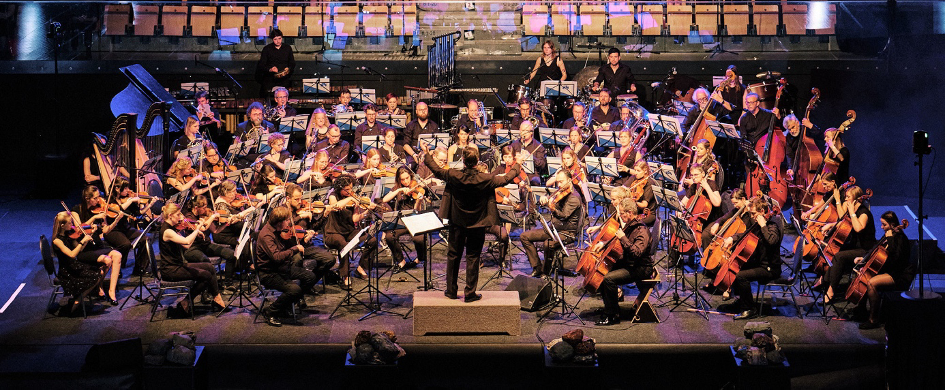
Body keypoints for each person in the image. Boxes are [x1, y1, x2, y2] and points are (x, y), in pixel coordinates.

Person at [419, 140, 524, 301]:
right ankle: (469, 293)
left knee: (453, 255)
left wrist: (427, 153)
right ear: (477, 161)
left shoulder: (454, 175)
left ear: (462, 160)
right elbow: (507, 178)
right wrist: (518, 164)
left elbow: (436, 170)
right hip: (478, 223)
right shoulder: (486, 178)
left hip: (457, 222)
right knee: (473, 257)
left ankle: (451, 291)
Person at [588, 197, 654, 325]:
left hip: (640, 268)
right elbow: (616, 241)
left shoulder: (642, 230)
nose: (620, 215)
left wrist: (623, 238)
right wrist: (604, 244)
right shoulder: (630, 225)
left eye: (622, 213)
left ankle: (612, 315)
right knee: (602, 271)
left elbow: (636, 253)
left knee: (608, 279)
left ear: (630, 212)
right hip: (630, 263)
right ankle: (609, 307)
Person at [255, 204, 322, 326]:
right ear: (279, 222)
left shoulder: (278, 230)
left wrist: (303, 240)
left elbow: (288, 248)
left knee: (310, 277)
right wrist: (295, 249)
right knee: (295, 290)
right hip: (269, 273)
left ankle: (285, 306)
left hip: (282, 268)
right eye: (286, 220)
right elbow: (277, 257)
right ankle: (270, 311)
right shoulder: (266, 236)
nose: (289, 223)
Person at [158, 203, 227, 317]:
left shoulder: (172, 228)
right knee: (206, 275)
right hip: (171, 269)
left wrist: (195, 232)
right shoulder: (167, 231)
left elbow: (186, 245)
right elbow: (186, 242)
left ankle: (217, 298)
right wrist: (197, 228)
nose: (181, 217)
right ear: (170, 215)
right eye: (178, 214)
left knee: (209, 267)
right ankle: (186, 301)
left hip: (178, 265)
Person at [723, 197, 783, 320]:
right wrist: (732, 238)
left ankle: (749, 309)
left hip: (770, 268)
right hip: (760, 263)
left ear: (762, 212)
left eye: (754, 213)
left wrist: (763, 225)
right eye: (750, 213)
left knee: (741, 276)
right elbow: (745, 234)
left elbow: (772, 241)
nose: (751, 216)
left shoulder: (772, 226)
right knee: (736, 266)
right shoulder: (756, 225)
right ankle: (742, 301)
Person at [855, 211, 913, 330]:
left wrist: (890, 238)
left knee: (872, 283)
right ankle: (861, 310)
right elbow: (875, 248)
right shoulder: (887, 235)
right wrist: (864, 258)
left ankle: (873, 319)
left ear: (892, 225)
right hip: (890, 271)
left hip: (899, 274)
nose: (881, 227)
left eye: (884, 224)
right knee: (864, 275)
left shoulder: (900, 238)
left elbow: (895, 258)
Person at [521, 169, 583, 278]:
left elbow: (563, 216)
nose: (559, 185)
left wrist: (553, 209)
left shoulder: (574, 198)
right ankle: (537, 267)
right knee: (524, 236)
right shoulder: (560, 192)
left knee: (548, 244)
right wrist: (544, 199)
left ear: (569, 180)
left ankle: (546, 273)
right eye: (557, 182)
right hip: (553, 229)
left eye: (561, 182)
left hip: (566, 232)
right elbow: (550, 201)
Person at [72, 185, 129, 301]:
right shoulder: (76, 210)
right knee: (107, 260)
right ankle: (98, 284)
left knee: (117, 255)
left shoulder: (99, 210)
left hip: (97, 245)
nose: (98, 200)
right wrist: (94, 218)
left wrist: (116, 220)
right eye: (95, 198)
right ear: (87, 198)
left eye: (99, 197)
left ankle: (111, 291)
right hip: (84, 249)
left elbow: (106, 230)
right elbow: (79, 229)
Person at [821, 185, 876, 305]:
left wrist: (851, 212)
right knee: (833, 250)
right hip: (855, 246)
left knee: (839, 256)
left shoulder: (864, 213)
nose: (845, 199)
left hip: (865, 250)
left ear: (856, 199)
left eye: (848, 197)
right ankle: (825, 281)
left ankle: (831, 290)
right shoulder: (853, 211)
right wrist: (830, 225)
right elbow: (844, 222)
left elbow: (858, 228)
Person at [323, 175, 380, 287]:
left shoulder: (353, 198)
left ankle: (361, 268)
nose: (350, 192)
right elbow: (334, 205)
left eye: (351, 188)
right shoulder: (333, 196)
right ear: (340, 188)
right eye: (347, 189)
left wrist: (366, 212)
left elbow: (355, 218)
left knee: (371, 240)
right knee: (343, 245)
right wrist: (349, 199)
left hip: (349, 231)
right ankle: (345, 275)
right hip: (333, 232)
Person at [51, 211, 107, 313]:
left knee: (100, 271)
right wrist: (82, 241)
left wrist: (88, 237)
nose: (72, 225)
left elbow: (79, 249)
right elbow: (72, 254)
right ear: (62, 226)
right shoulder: (57, 241)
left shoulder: (69, 234)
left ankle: (78, 298)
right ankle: (77, 301)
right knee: (97, 274)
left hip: (74, 266)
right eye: (69, 223)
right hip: (67, 272)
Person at [283, 183, 337, 279]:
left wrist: (325, 215)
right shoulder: (282, 211)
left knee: (330, 259)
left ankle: (310, 281)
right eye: (296, 199)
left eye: (300, 198)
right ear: (288, 198)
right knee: (297, 260)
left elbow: (314, 227)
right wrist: (300, 217)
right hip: (290, 248)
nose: (300, 202)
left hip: (306, 245)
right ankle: (296, 283)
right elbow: (285, 227)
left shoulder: (303, 208)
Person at [182, 195, 238, 281]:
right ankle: (210, 285)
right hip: (192, 248)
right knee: (206, 262)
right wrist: (212, 217)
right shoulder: (189, 217)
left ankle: (228, 282)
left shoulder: (204, 216)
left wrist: (226, 224)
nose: (206, 210)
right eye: (204, 208)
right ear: (196, 208)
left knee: (231, 255)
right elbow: (203, 228)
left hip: (205, 245)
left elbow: (215, 230)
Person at [381, 166, 427, 272]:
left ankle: (420, 258)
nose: (406, 181)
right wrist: (399, 190)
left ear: (411, 176)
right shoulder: (397, 188)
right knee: (389, 236)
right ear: (399, 180)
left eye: (407, 178)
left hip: (414, 220)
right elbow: (384, 199)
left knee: (419, 239)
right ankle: (401, 261)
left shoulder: (416, 187)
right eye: (402, 179)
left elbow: (417, 210)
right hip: (401, 221)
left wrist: (419, 201)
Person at [255, 29, 295, 98]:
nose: (278, 41)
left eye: (279, 38)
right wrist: (270, 69)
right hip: (271, 79)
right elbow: (261, 65)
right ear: (272, 39)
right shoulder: (267, 49)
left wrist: (288, 68)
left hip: (284, 79)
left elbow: (292, 63)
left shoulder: (287, 48)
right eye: (275, 39)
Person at [510, 120, 547, 186]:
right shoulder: (514, 145)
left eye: (526, 131)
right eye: (522, 130)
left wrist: (530, 156)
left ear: (531, 132)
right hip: (517, 173)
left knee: (534, 181)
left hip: (532, 175)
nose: (524, 133)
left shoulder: (538, 146)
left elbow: (542, 164)